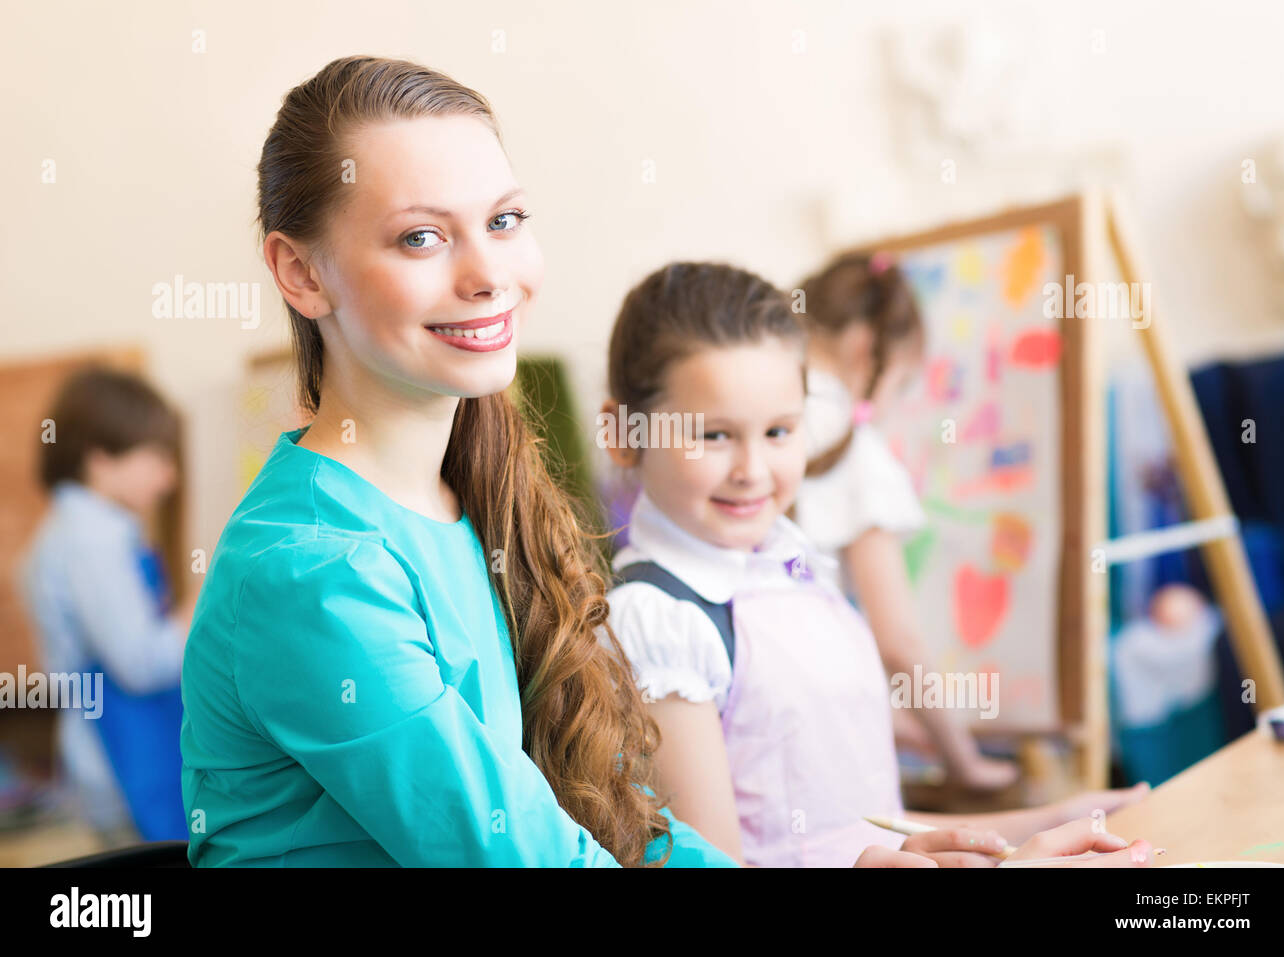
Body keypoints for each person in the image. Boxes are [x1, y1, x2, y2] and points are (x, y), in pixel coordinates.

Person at [180, 55, 735, 867]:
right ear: (301, 274)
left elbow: (611, 823)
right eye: (422, 237)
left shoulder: (473, 502)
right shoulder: (309, 570)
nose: (488, 276)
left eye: (505, 220)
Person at [600, 261, 1151, 866]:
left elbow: (857, 823)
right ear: (623, 433)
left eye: (780, 432)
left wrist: (1047, 821)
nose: (753, 470)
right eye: (713, 435)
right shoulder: (658, 622)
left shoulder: (790, 567)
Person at [794, 251, 1021, 791]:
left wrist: (896, 724)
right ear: (863, 349)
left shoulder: (759, 417)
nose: (893, 404)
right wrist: (963, 760)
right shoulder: (856, 450)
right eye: (899, 384)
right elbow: (899, 644)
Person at [21, 366, 193, 844]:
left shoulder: (84, 530)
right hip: (126, 775)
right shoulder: (90, 541)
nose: (169, 477)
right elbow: (139, 664)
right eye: (157, 456)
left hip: (122, 766)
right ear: (100, 459)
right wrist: (201, 605)